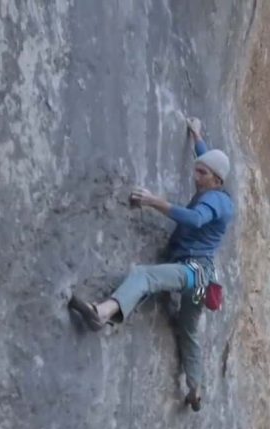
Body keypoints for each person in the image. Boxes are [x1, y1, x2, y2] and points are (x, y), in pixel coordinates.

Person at [69, 116, 234, 412]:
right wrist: (197, 137)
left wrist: (153, 201)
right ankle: (195, 388)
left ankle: (101, 312)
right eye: (197, 170)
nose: (195, 176)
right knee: (187, 329)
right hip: (201, 281)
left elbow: (196, 219)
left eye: (202, 173)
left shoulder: (218, 202)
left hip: (194, 273)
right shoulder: (214, 183)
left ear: (217, 181)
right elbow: (208, 160)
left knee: (144, 276)